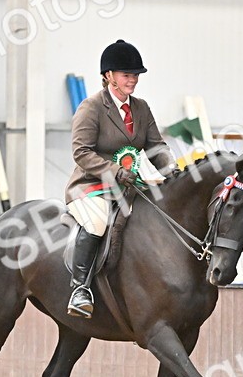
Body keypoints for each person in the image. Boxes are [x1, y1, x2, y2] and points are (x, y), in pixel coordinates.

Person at [64, 39, 176, 318]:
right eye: (127, 74)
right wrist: (115, 171)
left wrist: (173, 172)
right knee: (98, 221)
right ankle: (80, 289)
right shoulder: (91, 107)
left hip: (129, 187)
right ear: (108, 76)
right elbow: (81, 152)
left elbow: (156, 147)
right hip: (91, 186)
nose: (133, 80)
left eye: (136, 75)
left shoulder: (141, 108)